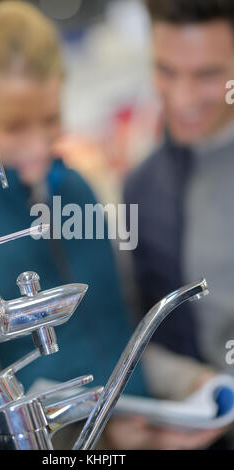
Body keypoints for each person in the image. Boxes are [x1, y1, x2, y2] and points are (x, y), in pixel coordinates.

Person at [0, 0, 224, 450]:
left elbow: (116, 329)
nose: (38, 147)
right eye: (13, 127)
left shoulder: (75, 187)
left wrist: (189, 383)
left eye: (51, 120)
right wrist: (95, 436)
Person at [124, 0, 234, 448]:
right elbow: (134, 327)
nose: (183, 98)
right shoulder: (142, 187)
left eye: (208, 75)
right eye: (166, 71)